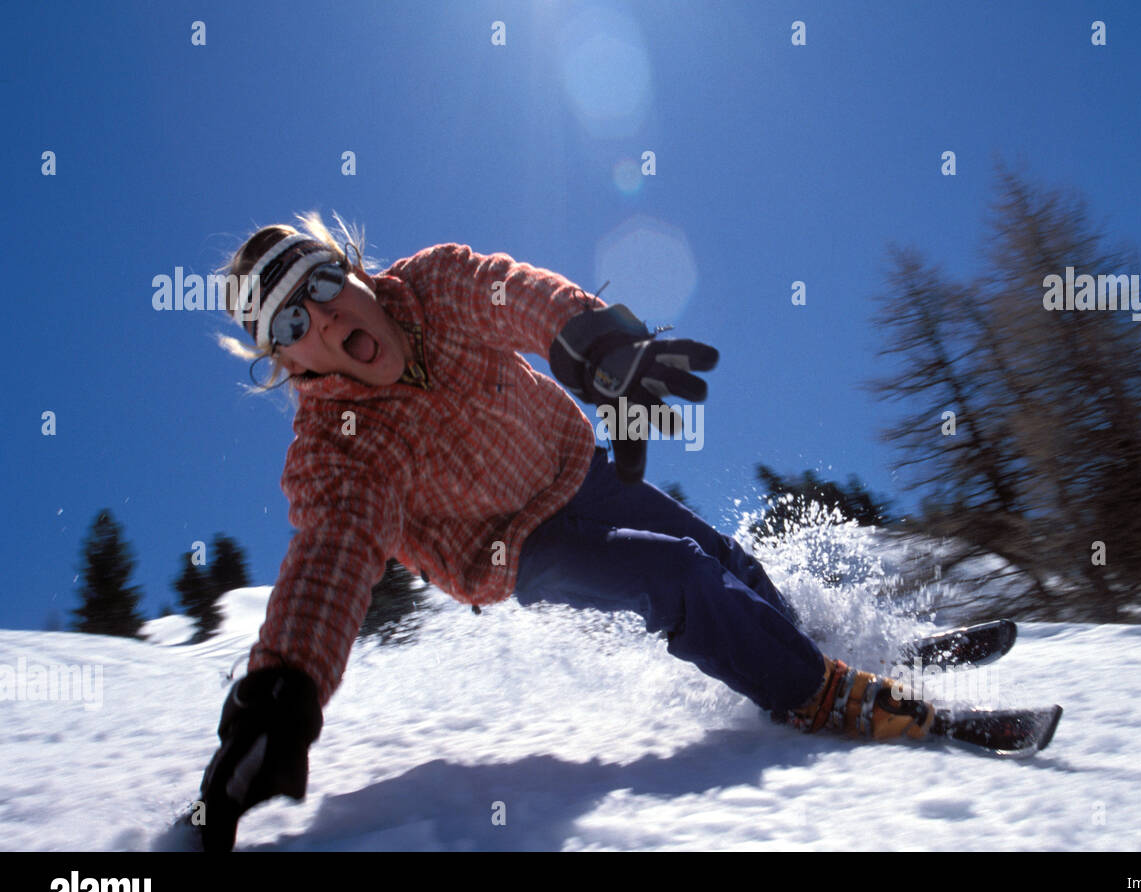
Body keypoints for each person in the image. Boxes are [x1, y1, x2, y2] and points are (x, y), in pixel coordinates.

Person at [194, 212, 936, 851]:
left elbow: (515, 296)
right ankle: (817, 695)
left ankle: (817, 653)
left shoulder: (433, 288)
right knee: (676, 574)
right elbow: (335, 548)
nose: (322, 319)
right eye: (291, 323)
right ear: (286, 360)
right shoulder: (338, 444)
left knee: (724, 558)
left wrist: (593, 341)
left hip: (579, 466)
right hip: (515, 548)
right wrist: (287, 683)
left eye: (321, 285)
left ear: (351, 269)